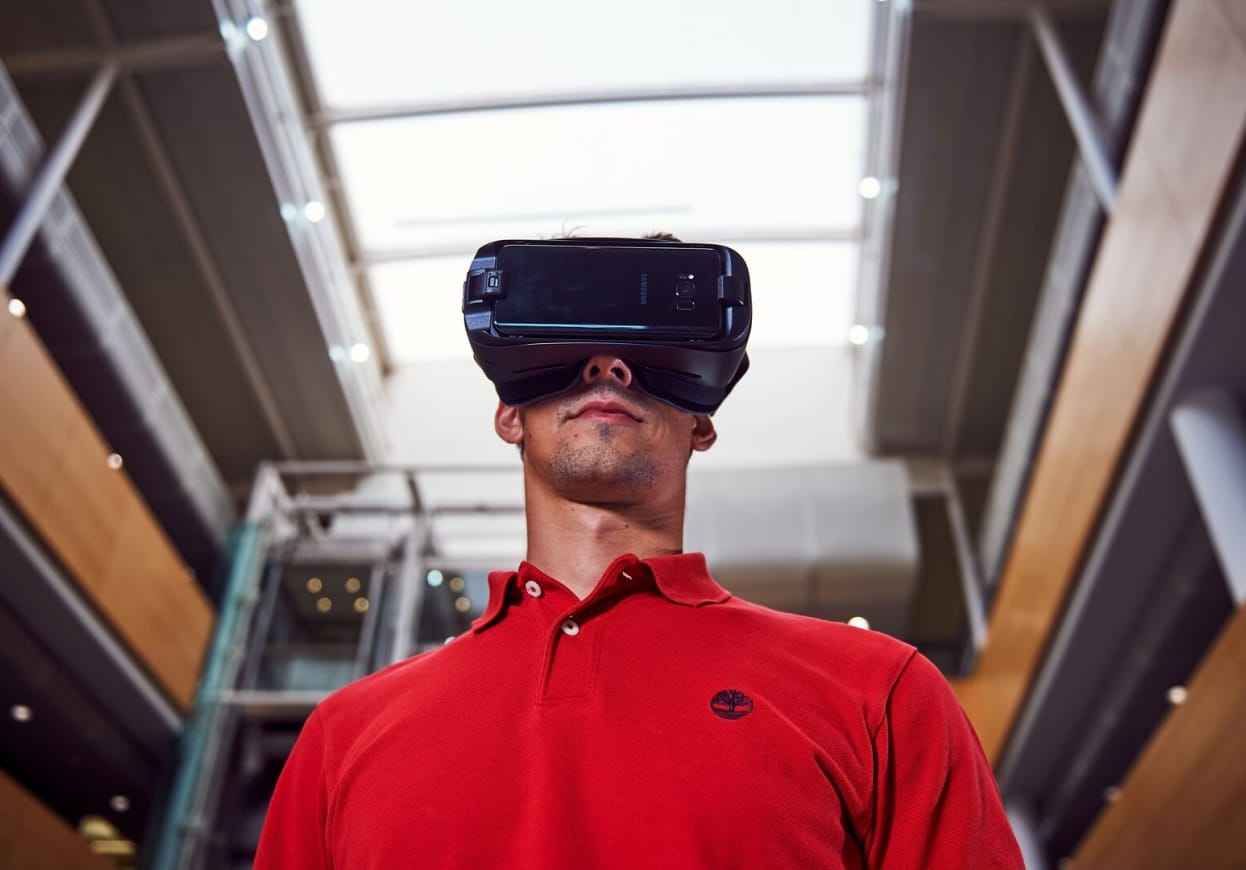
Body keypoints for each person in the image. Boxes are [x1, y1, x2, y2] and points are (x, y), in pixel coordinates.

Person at [255, 268, 1023, 869]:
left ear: (703, 421)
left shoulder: (878, 693)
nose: (608, 364)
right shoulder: (341, 737)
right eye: (565, 345)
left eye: (649, 349)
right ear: (507, 414)